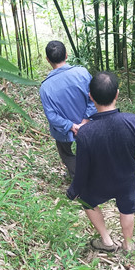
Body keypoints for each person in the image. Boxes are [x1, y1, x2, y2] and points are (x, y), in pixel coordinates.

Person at [67, 71, 135, 252]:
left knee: (87, 201)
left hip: (99, 182)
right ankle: (128, 244)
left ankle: (106, 241)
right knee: (127, 209)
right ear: (117, 94)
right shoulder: (132, 121)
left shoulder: (85, 132)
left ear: (91, 97)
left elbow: (82, 168)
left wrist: (74, 190)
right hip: (126, 180)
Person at [39, 40, 96, 180]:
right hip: (89, 125)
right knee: (92, 148)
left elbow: (52, 116)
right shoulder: (82, 73)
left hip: (64, 131)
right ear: (66, 55)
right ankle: (95, 174)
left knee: (65, 153)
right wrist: (85, 120)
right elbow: (94, 98)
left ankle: (78, 177)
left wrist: (71, 126)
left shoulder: (45, 87)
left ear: (47, 59)